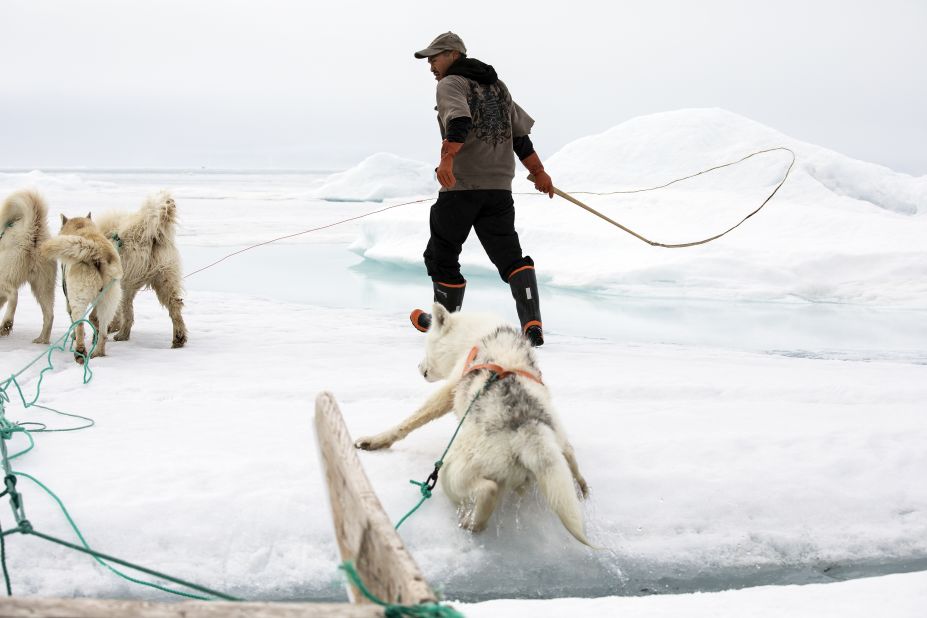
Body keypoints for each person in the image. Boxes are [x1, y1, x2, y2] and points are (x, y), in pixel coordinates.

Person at [409, 31, 555, 347]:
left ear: (452, 54)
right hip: (499, 191)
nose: (431, 65)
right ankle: (532, 323)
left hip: (461, 188)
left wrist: (447, 161)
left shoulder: (450, 84)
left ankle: (444, 326)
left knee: (442, 254)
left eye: (434, 57)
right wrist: (539, 172)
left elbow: (458, 120)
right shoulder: (497, 87)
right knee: (510, 256)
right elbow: (520, 138)